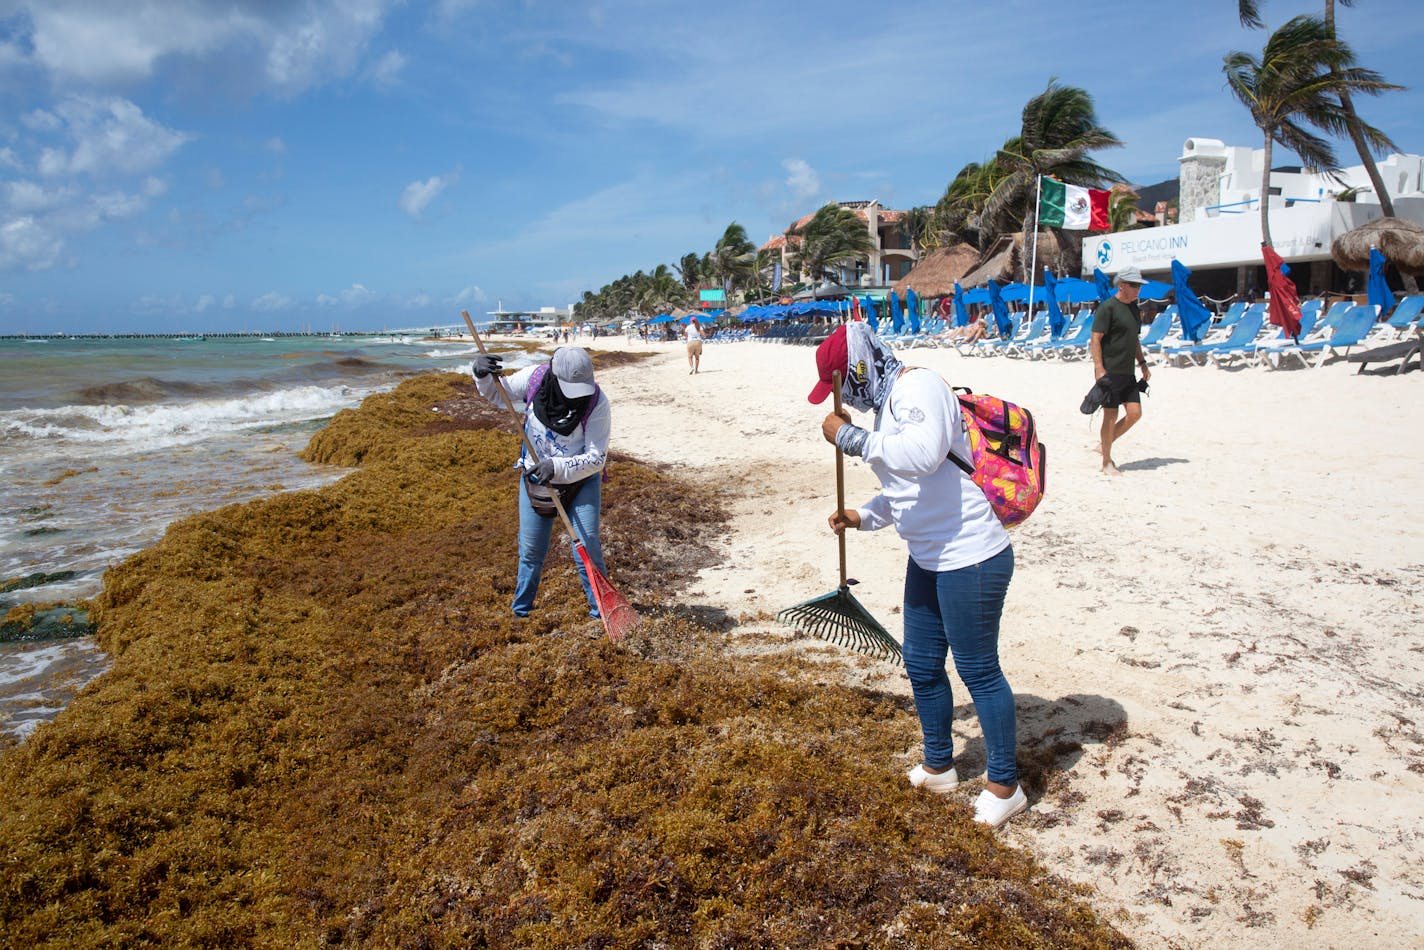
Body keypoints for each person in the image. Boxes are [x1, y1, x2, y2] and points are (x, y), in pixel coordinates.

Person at [808, 323, 1026, 829]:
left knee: (978, 670)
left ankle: (1004, 784)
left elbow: (924, 456)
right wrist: (861, 515)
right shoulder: (887, 404)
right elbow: (908, 491)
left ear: (858, 369)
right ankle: (939, 764)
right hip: (928, 558)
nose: (845, 398)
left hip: (971, 556)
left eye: (841, 384)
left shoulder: (917, 387)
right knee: (923, 664)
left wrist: (850, 437)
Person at [471, 346, 610, 618]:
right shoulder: (533, 380)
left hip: (579, 481)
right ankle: (520, 612)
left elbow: (596, 458)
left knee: (588, 544)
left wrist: (556, 466)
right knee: (532, 551)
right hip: (536, 478)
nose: (577, 395)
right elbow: (497, 394)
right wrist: (480, 374)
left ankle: (601, 611)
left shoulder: (596, 402)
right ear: (554, 376)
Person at [1089, 265, 1151, 476]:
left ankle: (1105, 443)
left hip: (1129, 372)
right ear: (1122, 285)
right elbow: (1095, 339)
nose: (1138, 289)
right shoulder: (1108, 308)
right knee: (1110, 415)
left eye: (1139, 286)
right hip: (1110, 371)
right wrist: (1099, 367)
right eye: (1134, 285)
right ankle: (1107, 461)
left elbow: (1134, 340)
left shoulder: (1135, 309)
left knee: (1135, 414)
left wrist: (1142, 363)